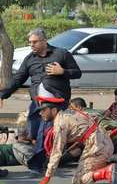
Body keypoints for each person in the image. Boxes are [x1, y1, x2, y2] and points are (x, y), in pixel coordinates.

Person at [0, 28, 82, 173]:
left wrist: (63, 72)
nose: (31, 45)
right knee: (34, 133)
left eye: (35, 42)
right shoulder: (30, 59)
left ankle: (41, 164)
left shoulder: (61, 54)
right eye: (30, 42)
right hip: (37, 103)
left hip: (55, 103)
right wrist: (3, 94)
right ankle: (47, 160)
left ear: (44, 41)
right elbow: (18, 79)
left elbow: (77, 73)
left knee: (46, 132)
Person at [33, 96, 117, 184]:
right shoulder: (70, 112)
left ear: (53, 110)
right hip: (104, 142)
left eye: (44, 110)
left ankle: (108, 171)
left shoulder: (60, 124)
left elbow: (56, 152)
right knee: (91, 166)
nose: (41, 113)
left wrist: (47, 177)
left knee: (78, 181)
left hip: (96, 146)